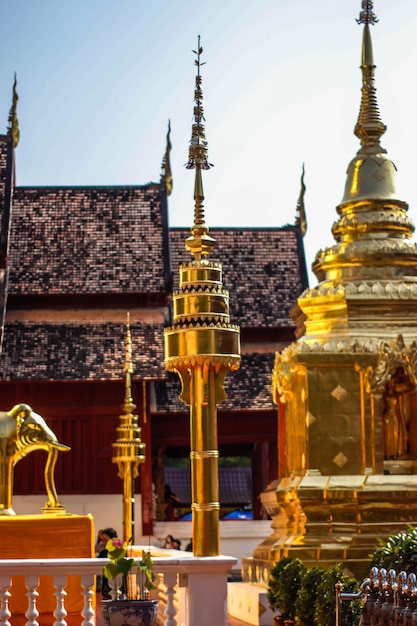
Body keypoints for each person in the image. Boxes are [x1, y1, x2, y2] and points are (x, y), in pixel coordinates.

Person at [98, 527, 118, 599]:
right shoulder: (103, 553)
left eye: (105, 540)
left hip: (119, 588)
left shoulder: (120, 553)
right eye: (102, 540)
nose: (103, 543)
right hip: (106, 589)